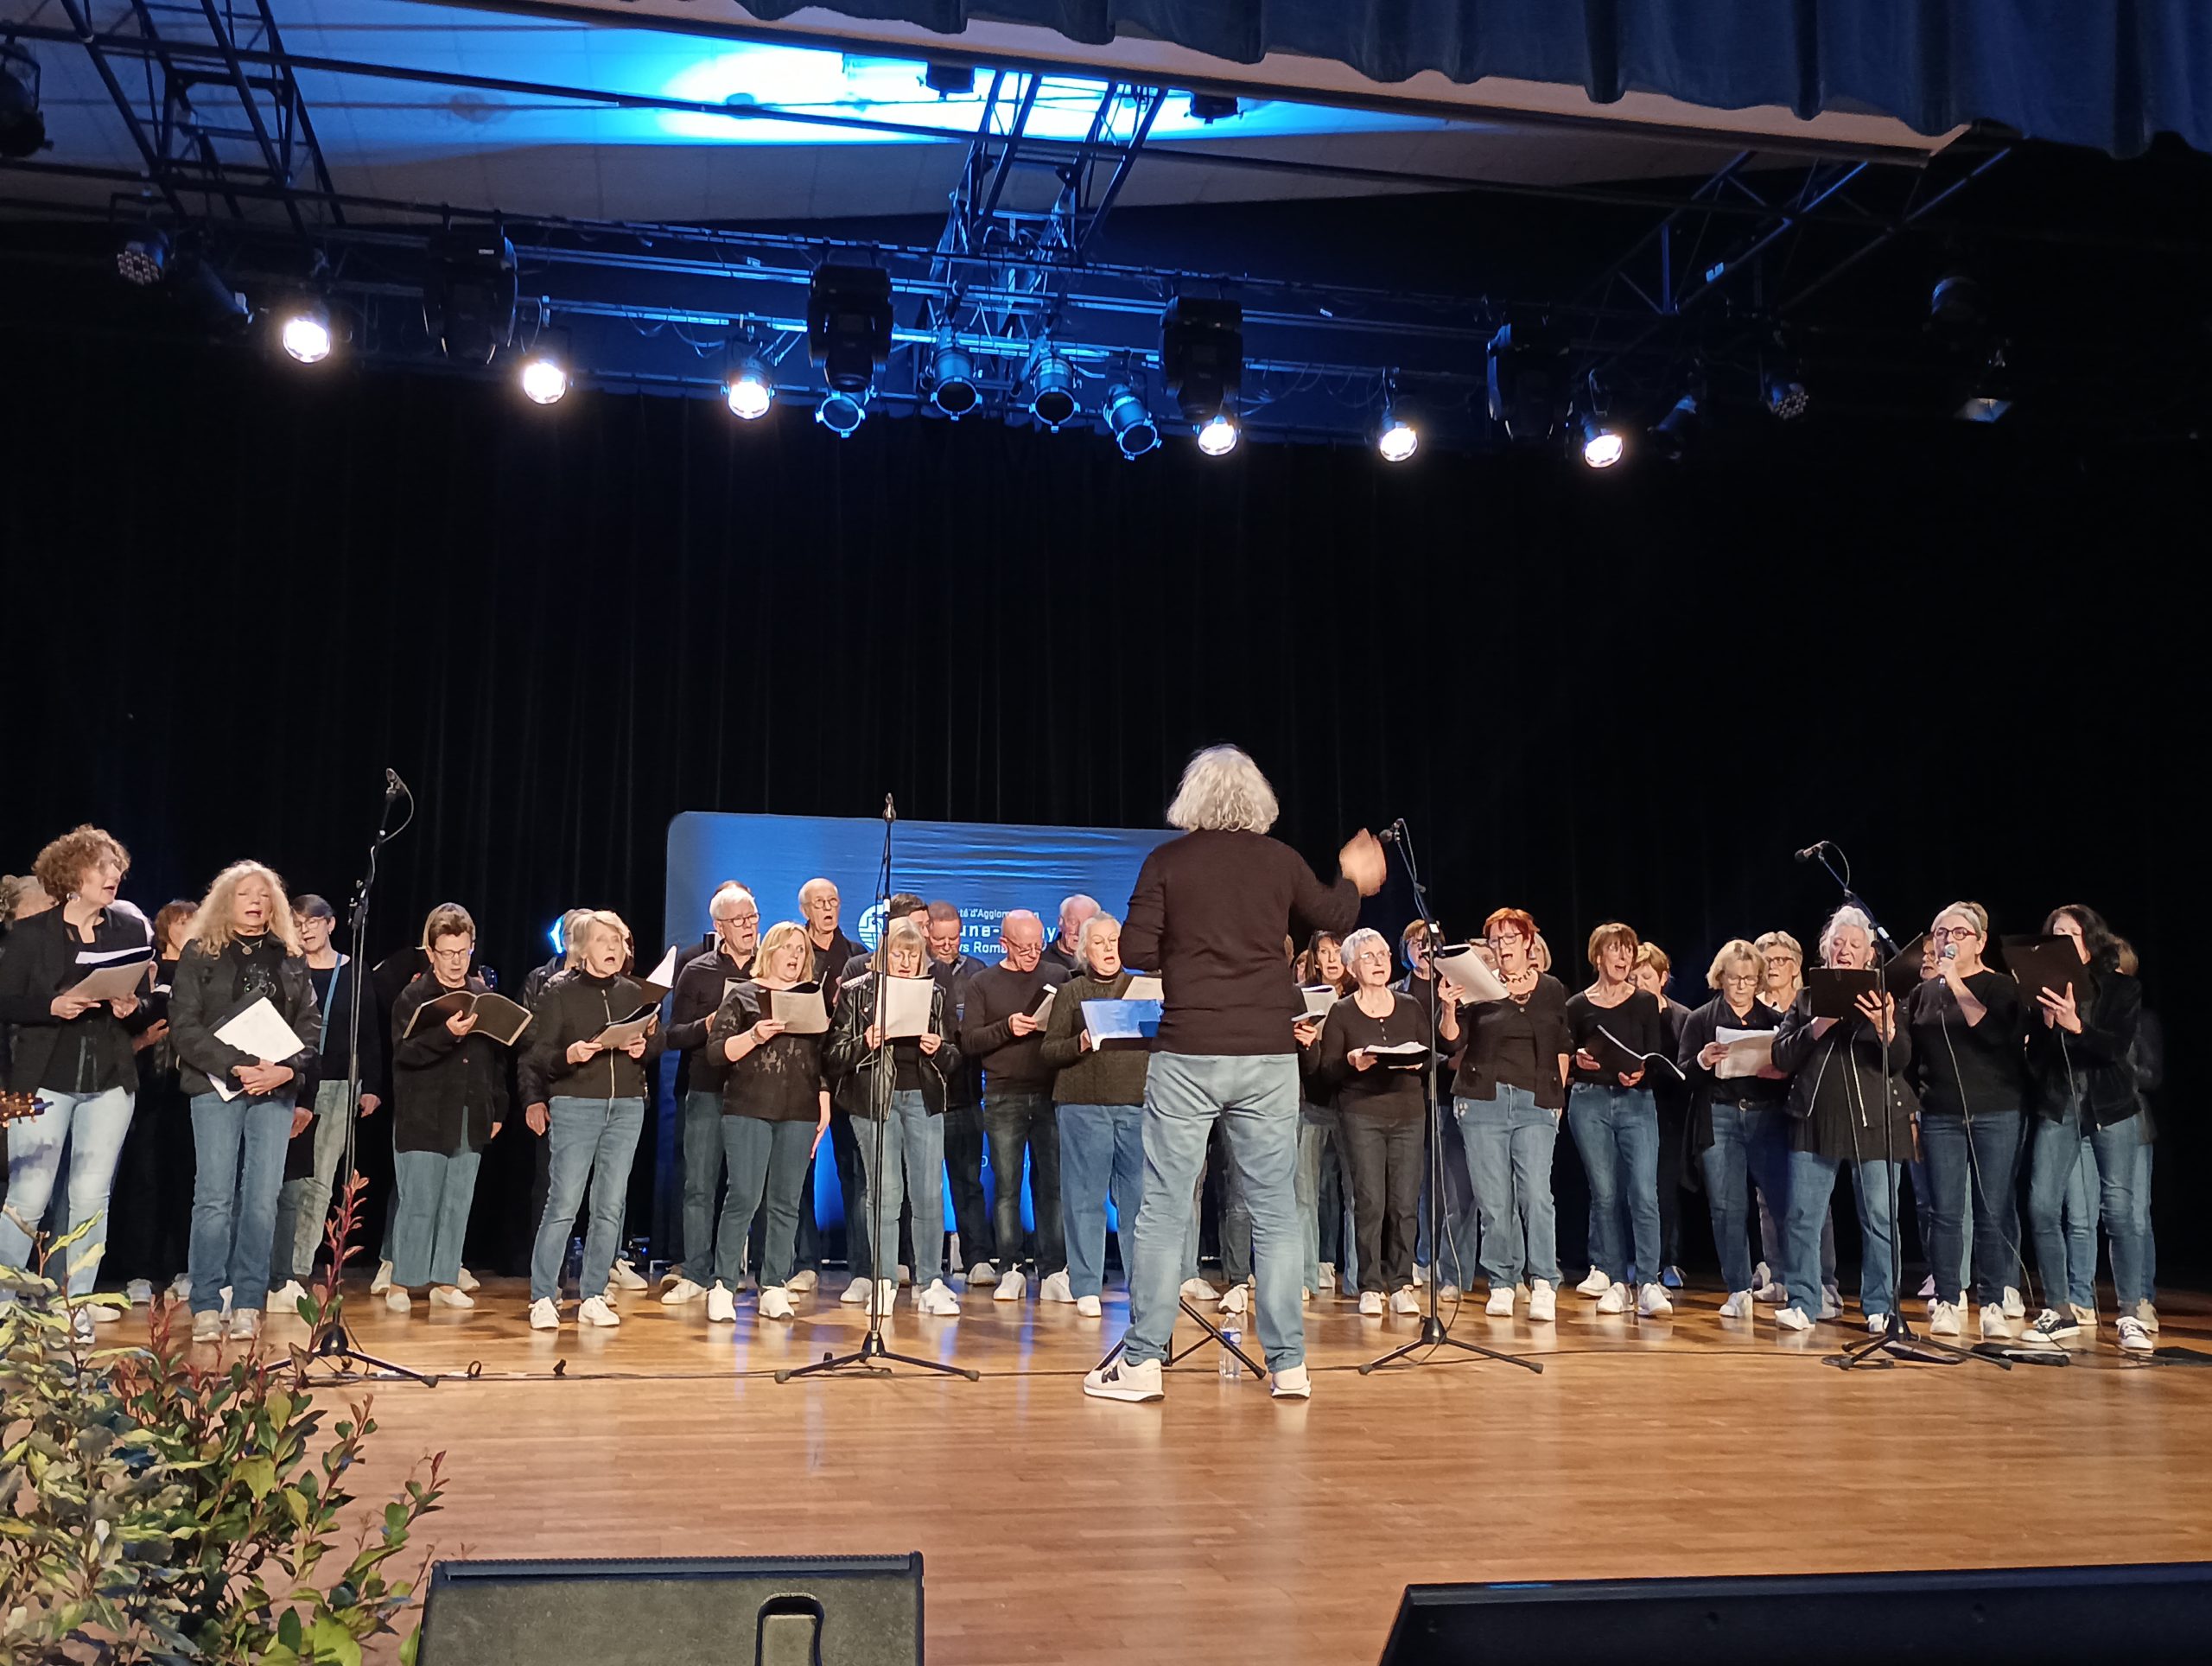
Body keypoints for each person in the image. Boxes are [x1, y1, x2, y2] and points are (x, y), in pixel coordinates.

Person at [1084, 745, 1381, 1403]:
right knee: (1276, 1211)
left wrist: (1189, 943)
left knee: (1162, 1209)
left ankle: (1140, 1365)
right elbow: (1334, 917)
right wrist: (1353, 876)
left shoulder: (1167, 862)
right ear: (1257, 801)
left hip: (1190, 1049)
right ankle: (1290, 1366)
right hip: (1268, 1055)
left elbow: (1133, 951)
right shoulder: (1279, 862)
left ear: (1193, 799)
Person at [0, 826, 152, 1326]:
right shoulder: (31, 934)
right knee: (30, 1193)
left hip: (109, 1081)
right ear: (72, 875)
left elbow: (144, 1004)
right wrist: (52, 1006)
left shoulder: (128, 931)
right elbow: (6, 1002)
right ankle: (5, 1299)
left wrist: (134, 1005)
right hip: (40, 1082)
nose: (114, 876)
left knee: (90, 1195)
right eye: (102, 867)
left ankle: (75, 1305)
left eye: (117, 867)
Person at [168, 861, 321, 1343]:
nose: (256, 902)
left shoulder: (290, 956)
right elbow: (184, 1026)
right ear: (225, 902)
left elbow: (310, 1027)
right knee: (214, 1198)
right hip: (216, 1086)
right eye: (244, 894)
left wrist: (286, 1068)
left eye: (263, 894)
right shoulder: (200, 952)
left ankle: (250, 1301)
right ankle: (208, 1302)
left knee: (261, 1200)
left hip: (274, 1088)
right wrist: (236, 1064)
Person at [1769, 906, 1914, 1336]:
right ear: (1826, 950)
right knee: (1802, 1216)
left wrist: (1887, 1029)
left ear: (1871, 954)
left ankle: (1881, 1306)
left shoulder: (1887, 995)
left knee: (1881, 1218)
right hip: (1815, 1118)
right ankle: (1803, 1301)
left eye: (1854, 944)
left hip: (1877, 1121)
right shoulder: (1807, 997)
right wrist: (1819, 1023)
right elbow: (1782, 1055)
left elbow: (1901, 1061)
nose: (1845, 950)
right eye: (1838, 943)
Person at [519, 910, 662, 1330]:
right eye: (604, 941)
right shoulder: (558, 991)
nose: (613, 949)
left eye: (617, 942)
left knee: (610, 1206)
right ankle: (543, 1295)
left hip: (626, 1106)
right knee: (564, 1203)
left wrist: (644, 1047)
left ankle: (595, 1293)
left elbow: (659, 1039)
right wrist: (571, 1055)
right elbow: (537, 1054)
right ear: (581, 950)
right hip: (576, 1103)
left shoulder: (633, 992)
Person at [2025, 905, 2152, 1353]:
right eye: (2055, 934)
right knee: (2042, 1206)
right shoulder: (2040, 991)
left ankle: (2131, 1313)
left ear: (2089, 939)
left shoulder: (2121, 988)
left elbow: (2116, 1050)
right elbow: (2034, 1065)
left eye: (2071, 934)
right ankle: (2059, 1309)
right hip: (2060, 1106)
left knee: (2119, 1212)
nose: (2062, 942)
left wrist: (2077, 1025)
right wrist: (2042, 1031)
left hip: (2111, 1106)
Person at [1903, 901, 2029, 1342]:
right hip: (1941, 1113)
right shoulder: (1921, 994)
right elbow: (1910, 1060)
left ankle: (1993, 1300)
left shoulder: (2000, 988)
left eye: (1958, 933)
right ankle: (1948, 1299)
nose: (1947, 941)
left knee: (1992, 1210)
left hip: (1996, 1111)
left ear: (1979, 941)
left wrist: (1954, 981)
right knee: (1945, 1212)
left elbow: (1993, 1034)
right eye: (1939, 933)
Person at [1437, 908, 1571, 1322]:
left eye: (1510, 938)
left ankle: (1544, 1280)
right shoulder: (1479, 988)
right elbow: (1451, 1042)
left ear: (1529, 944)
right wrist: (1447, 1008)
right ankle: (1502, 1281)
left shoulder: (1550, 989)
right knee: (1495, 1201)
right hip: (1482, 1102)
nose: (1502, 946)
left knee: (1535, 1194)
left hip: (1535, 1103)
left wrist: (1557, 1101)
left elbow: (1561, 1045)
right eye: (1495, 940)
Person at [824, 917, 962, 1315]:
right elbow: (832, 1056)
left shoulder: (935, 993)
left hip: (922, 1099)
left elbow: (955, 1056)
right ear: (884, 955)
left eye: (912, 954)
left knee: (928, 1194)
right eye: (898, 954)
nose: (905, 962)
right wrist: (865, 1042)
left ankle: (930, 1281)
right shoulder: (857, 992)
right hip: (875, 1101)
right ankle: (883, 1279)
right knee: (883, 1195)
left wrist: (938, 1048)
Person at [706, 920, 831, 1322]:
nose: (795, 956)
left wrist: (824, 1101)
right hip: (749, 1107)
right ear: (771, 951)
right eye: (788, 948)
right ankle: (723, 1284)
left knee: (786, 1202)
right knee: (744, 1196)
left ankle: (774, 1283)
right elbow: (715, 1053)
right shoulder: (745, 996)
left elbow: (821, 1058)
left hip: (799, 1109)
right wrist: (755, 1036)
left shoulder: (812, 998)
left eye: (801, 951)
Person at [385, 905, 505, 1313]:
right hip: (424, 1113)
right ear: (431, 952)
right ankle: (402, 1281)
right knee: (419, 1200)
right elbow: (404, 1054)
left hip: (470, 1111)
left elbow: (497, 1057)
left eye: (463, 951)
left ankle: (444, 1279)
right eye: (447, 952)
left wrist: (497, 1108)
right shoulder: (414, 996)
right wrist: (446, 1034)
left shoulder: (483, 995)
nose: (456, 961)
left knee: (458, 1201)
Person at [269, 893, 385, 1310]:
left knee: (320, 1180)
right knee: (285, 1180)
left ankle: (298, 1268)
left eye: (313, 921)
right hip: (290, 1080)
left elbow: (369, 1031)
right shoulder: (286, 967)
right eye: (297, 922)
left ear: (331, 924)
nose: (305, 929)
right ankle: (272, 1266)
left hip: (338, 1082)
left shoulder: (353, 971)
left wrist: (371, 1083)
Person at [959, 908, 1071, 1303]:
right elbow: (969, 1041)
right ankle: (1010, 1267)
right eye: (1023, 948)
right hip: (1003, 1094)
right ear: (1003, 944)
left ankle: (1055, 1269)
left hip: (1050, 1093)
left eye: (1038, 946)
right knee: (1007, 1187)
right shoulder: (982, 983)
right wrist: (1008, 1027)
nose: (1032, 955)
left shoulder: (1058, 976)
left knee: (1052, 1186)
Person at [1039, 912, 1147, 1318]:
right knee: (1084, 1198)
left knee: (1138, 1201)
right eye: (1098, 942)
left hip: (1136, 1106)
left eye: (1114, 940)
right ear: (1084, 950)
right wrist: (1081, 1042)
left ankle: (1143, 1286)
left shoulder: (1142, 989)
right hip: (1083, 1106)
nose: (1108, 949)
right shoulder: (1073, 992)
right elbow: (1049, 1051)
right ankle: (1086, 1285)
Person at [1313, 928, 1426, 1317]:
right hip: (1362, 1113)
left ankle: (1402, 1282)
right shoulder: (1342, 1012)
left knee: (1404, 1203)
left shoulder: (1410, 1006)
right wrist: (1351, 1062)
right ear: (1351, 967)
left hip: (1408, 1113)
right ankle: (1371, 1284)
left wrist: (1419, 1061)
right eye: (1368, 957)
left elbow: (1429, 1054)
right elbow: (1326, 1069)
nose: (1378, 963)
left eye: (1382, 955)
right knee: (1370, 1201)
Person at [1677, 940, 1789, 1319]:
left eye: (1748, 978)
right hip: (1720, 1116)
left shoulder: (1773, 1021)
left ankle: (1793, 1281)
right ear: (1720, 978)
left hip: (1764, 1116)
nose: (1741, 985)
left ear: (1759, 979)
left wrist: (1777, 1069)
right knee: (1727, 1207)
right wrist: (1703, 1059)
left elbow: (1788, 1076)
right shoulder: (1701, 1019)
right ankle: (1738, 1288)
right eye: (1733, 978)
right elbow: (1683, 1076)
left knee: (1782, 1202)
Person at [1565, 923, 1673, 1318]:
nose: (1624, 957)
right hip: (1589, 1102)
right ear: (1598, 957)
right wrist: (1579, 1060)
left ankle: (1648, 1282)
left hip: (1636, 1102)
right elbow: (1569, 1053)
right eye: (1616, 950)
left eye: (1628, 950)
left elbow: (1653, 1055)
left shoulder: (1644, 1001)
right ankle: (1614, 1281)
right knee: (1605, 1195)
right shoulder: (1577, 1005)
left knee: (1644, 1193)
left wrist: (1641, 1073)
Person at [658, 881, 759, 1306]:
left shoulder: (769, 968)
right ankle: (696, 1273)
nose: (749, 927)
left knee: (748, 1189)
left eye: (753, 918)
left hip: (756, 1093)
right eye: (739, 921)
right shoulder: (697, 970)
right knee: (699, 1185)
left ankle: (734, 1274)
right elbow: (673, 1035)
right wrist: (711, 1023)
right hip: (705, 1089)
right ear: (719, 926)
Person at [111, 899, 197, 1301]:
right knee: (144, 1181)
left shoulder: (203, 970)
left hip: (189, 1090)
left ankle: (182, 1267)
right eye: (183, 921)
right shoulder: (148, 971)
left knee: (187, 1181)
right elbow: (128, 1020)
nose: (190, 926)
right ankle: (140, 1273)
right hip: (147, 1089)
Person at [791, 879, 861, 1295]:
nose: (828, 908)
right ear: (806, 910)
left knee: (856, 1172)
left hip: (849, 1074)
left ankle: (863, 1269)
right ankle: (804, 1262)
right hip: (802, 1073)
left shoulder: (856, 956)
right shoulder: (793, 952)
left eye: (834, 900)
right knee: (798, 1171)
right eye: (820, 903)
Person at [926, 900, 996, 1287]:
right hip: (923, 1095)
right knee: (918, 1187)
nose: (948, 946)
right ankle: (912, 1260)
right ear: (927, 935)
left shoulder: (977, 972)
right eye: (940, 939)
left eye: (954, 938)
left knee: (968, 1182)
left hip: (966, 1092)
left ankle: (978, 1259)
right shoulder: (915, 971)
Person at [1751, 928, 1821, 1306]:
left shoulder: (1810, 1003)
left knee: (1809, 1199)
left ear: (1797, 966)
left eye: (1782, 960)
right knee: (1767, 1198)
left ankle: (1819, 1281)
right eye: (1767, 961)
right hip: (1764, 1105)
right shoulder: (1752, 1005)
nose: (1774, 967)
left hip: (1805, 1105)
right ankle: (1777, 1275)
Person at [1294, 930, 1353, 1298]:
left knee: (1357, 1195)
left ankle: (1363, 1281)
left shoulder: (1362, 998)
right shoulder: (1303, 997)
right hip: (1310, 1104)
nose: (1331, 959)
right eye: (1324, 952)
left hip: (1353, 1104)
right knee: (1305, 1194)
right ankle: (1304, 1275)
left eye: (1337, 952)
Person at [1633, 941, 1693, 1290]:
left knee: (1664, 1189)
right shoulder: (1626, 1011)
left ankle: (1666, 1260)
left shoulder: (1681, 1016)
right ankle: (1639, 1261)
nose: (1640, 983)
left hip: (1669, 1112)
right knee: (1636, 1190)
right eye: (1635, 976)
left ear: (1663, 978)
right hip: (1635, 1105)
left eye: (1647, 976)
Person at [1043, 893, 1101, 977]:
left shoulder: (1102, 961)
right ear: (1060, 923)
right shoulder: (1043, 961)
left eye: (1087, 924)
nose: (1079, 931)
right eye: (1073, 922)